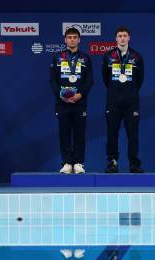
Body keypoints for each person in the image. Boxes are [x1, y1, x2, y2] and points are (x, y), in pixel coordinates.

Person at [50, 27, 93, 174]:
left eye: (75, 37)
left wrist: (80, 94)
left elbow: (89, 81)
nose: (72, 39)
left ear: (79, 40)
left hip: (80, 102)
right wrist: (60, 95)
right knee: (64, 133)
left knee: (79, 134)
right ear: (65, 40)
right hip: (62, 103)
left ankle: (79, 163)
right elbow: (53, 81)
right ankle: (67, 162)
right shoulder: (57, 57)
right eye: (70, 37)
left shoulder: (85, 58)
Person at [102, 26, 145, 173]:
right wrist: (116, 91)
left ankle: (134, 164)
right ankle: (112, 163)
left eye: (125, 35)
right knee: (112, 134)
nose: (122, 38)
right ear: (115, 38)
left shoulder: (137, 57)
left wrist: (129, 91)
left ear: (129, 38)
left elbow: (140, 80)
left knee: (132, 135)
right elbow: (106, 80)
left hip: (131, 103)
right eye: (119, 36)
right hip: (113, 102)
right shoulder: (108, 56)